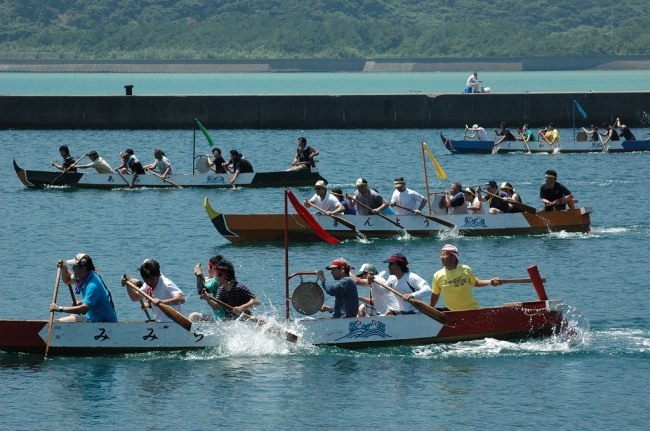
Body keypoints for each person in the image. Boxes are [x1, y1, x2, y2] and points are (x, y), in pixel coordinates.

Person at [49, 254, 117, 323]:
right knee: (72, 314)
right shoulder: (84, 276)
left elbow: (84, 309)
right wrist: (64, 268)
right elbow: (67, 279)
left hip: (104, 322)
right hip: (92, 316)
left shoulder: (93, 285)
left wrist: (60, 309)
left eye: (75, 266)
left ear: (83, 268)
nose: (73, 268)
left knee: (59, 322)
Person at [430, 245, 501, 311]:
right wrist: (429, 310)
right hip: (452, 312)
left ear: (453, 257)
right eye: (441, 255)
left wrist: (490, 282)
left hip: (471, 309)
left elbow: (475, 283)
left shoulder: (465, 269)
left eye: (445, 255)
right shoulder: (437, 275)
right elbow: (435, 294)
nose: (441, 257)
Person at [188, 255, 227, 322]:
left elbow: (201, 290)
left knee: (193, 316)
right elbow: (207, 283)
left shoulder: (215, 280)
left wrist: (199, 275)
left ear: (213, 268)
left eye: (208, 268)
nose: (208, 270)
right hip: (225, 318)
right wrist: (200, 275)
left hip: (220, 320)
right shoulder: (224, 278)